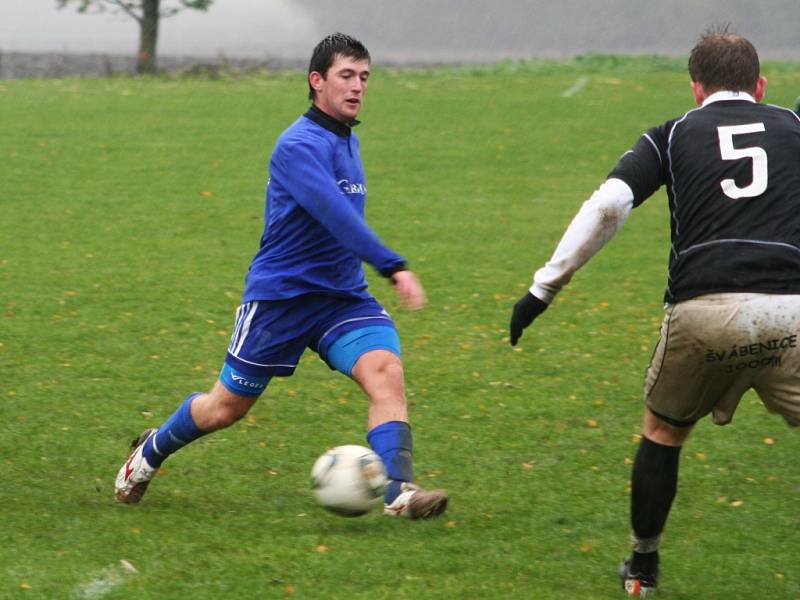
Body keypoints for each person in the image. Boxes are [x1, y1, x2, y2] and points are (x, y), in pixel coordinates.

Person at [509, 27, 800, 596]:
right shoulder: (793, 125)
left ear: (696, 88)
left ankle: (642, 569)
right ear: (759, 86)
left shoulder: (670, 135)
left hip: (702, 311)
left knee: (663, 432)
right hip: (792, 313)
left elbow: (608, 206)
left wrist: (544, 289)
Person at [115, 33, 448, 520]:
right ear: (317, 81)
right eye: (346, 76)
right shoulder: (296, 145)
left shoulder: (346, 138)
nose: (357, 86)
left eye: (364, 77)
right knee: (224, 409)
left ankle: (399, 491)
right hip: (281, 299)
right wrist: (392, 264)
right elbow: (333, 212)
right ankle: (148, 455)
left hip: (341, 297)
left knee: (386, 374)